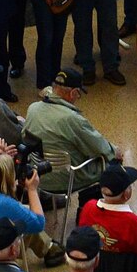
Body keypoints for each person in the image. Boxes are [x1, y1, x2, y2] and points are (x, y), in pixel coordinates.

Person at [25, 68, 118, 196]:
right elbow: (101, 148)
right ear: (73, 93)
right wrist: (115, 151)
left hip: (37, 176)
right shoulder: (71, 118)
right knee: (112, 164)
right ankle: (91, 207)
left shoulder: (33, 108)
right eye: (78, 94)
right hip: (66, 180)